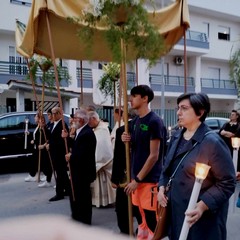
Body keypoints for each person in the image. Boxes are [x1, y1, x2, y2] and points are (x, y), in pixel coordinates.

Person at [157, 93, 236, 240]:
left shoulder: (212, 142)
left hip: (202, 222)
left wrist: (202, 205)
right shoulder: (176, 136)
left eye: (184, 108)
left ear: (200, 112)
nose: (178, 112)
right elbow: (166, 169)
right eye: (178, 108)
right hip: (176, 215)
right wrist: (161, 187)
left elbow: (227, 181)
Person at [122, 85, 166, 239]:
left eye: (134, 96)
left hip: (149, 180)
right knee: (140, 219)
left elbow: (154, 155)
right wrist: (126, 139)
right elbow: (135, 148)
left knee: (152, 220)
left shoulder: (154, 121)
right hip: (136, 179)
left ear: (145, 98)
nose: (130, 100)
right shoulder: (133, 122)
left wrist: (138, 179)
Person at [111, 108, 142, 235]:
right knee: (137, 208)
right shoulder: (122, 130)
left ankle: (127, 232)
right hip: (138, 175)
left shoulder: (123, 130)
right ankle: (139, 230)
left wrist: (114, 179)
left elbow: (117, 157)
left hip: (129, 175)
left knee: (125, 208)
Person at [64, 108, 97, 224]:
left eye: (76, 119)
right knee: (77, 195)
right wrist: (67, 138)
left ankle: (84, 219)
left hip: (83, 171)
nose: (73, 121)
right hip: (78, 171)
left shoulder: (87, 133)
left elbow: (82, 154)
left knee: (83, 197)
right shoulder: (81, 131)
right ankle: (77, 215)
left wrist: (71, 157)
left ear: (82, 120)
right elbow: (77, 146)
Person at [88, 111, 116, 208]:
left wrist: (97, 160)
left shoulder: (103, 129)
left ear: (94, 119)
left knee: (102, 185)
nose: (88, 123)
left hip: (102, 162)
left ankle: (105, 202)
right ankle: (97, 201)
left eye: (89, 121)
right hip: (95, 160)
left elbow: (103, 147)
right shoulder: (96, 128)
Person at [46, 107, 70, 202]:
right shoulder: (53, 124)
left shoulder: (63, 125)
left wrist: (51, 145)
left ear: (61, 113)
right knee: (62, 173)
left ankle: (59, 193)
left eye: (55, 113)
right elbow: (50, 137)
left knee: (60, 174)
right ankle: (68, 190)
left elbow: (61, 141)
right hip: (54, 153)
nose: (53, 115)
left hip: (60, 153)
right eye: (52, 113)